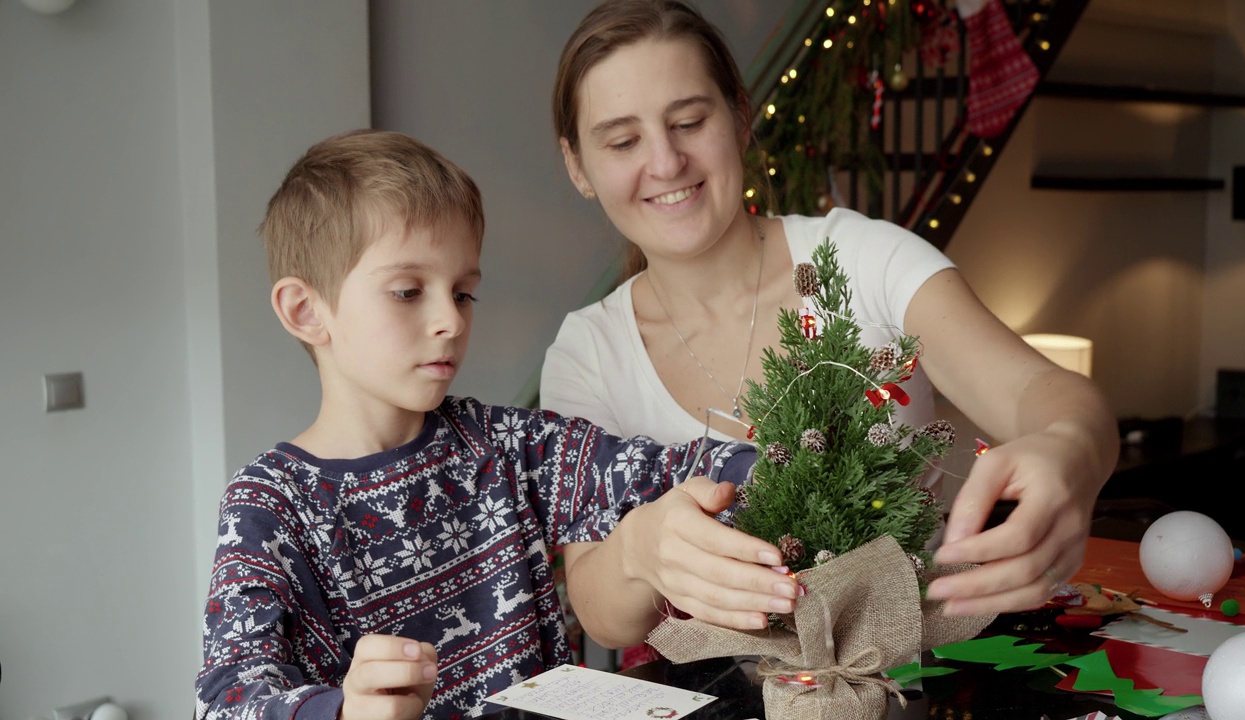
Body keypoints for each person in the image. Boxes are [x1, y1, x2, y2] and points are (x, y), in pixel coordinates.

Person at [541, 0, 1119, 625]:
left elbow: (1043, 390)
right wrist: (638, 550)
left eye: (688, 122)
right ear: (579, 166)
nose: (665, 162)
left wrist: (1073, 448)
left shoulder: (867, 260)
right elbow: (599, 609)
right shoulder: (589, 354)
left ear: (739, 116)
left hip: (906, 685)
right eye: (624, 141)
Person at [193, 129, 801, 720]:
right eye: (408, 291)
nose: (450, 322)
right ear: (306, 311)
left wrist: (793, 470)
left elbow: (675, 470)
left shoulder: (508, 447)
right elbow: (225, 699)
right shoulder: (269, 505)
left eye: (463, 293)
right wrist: (343, 711)